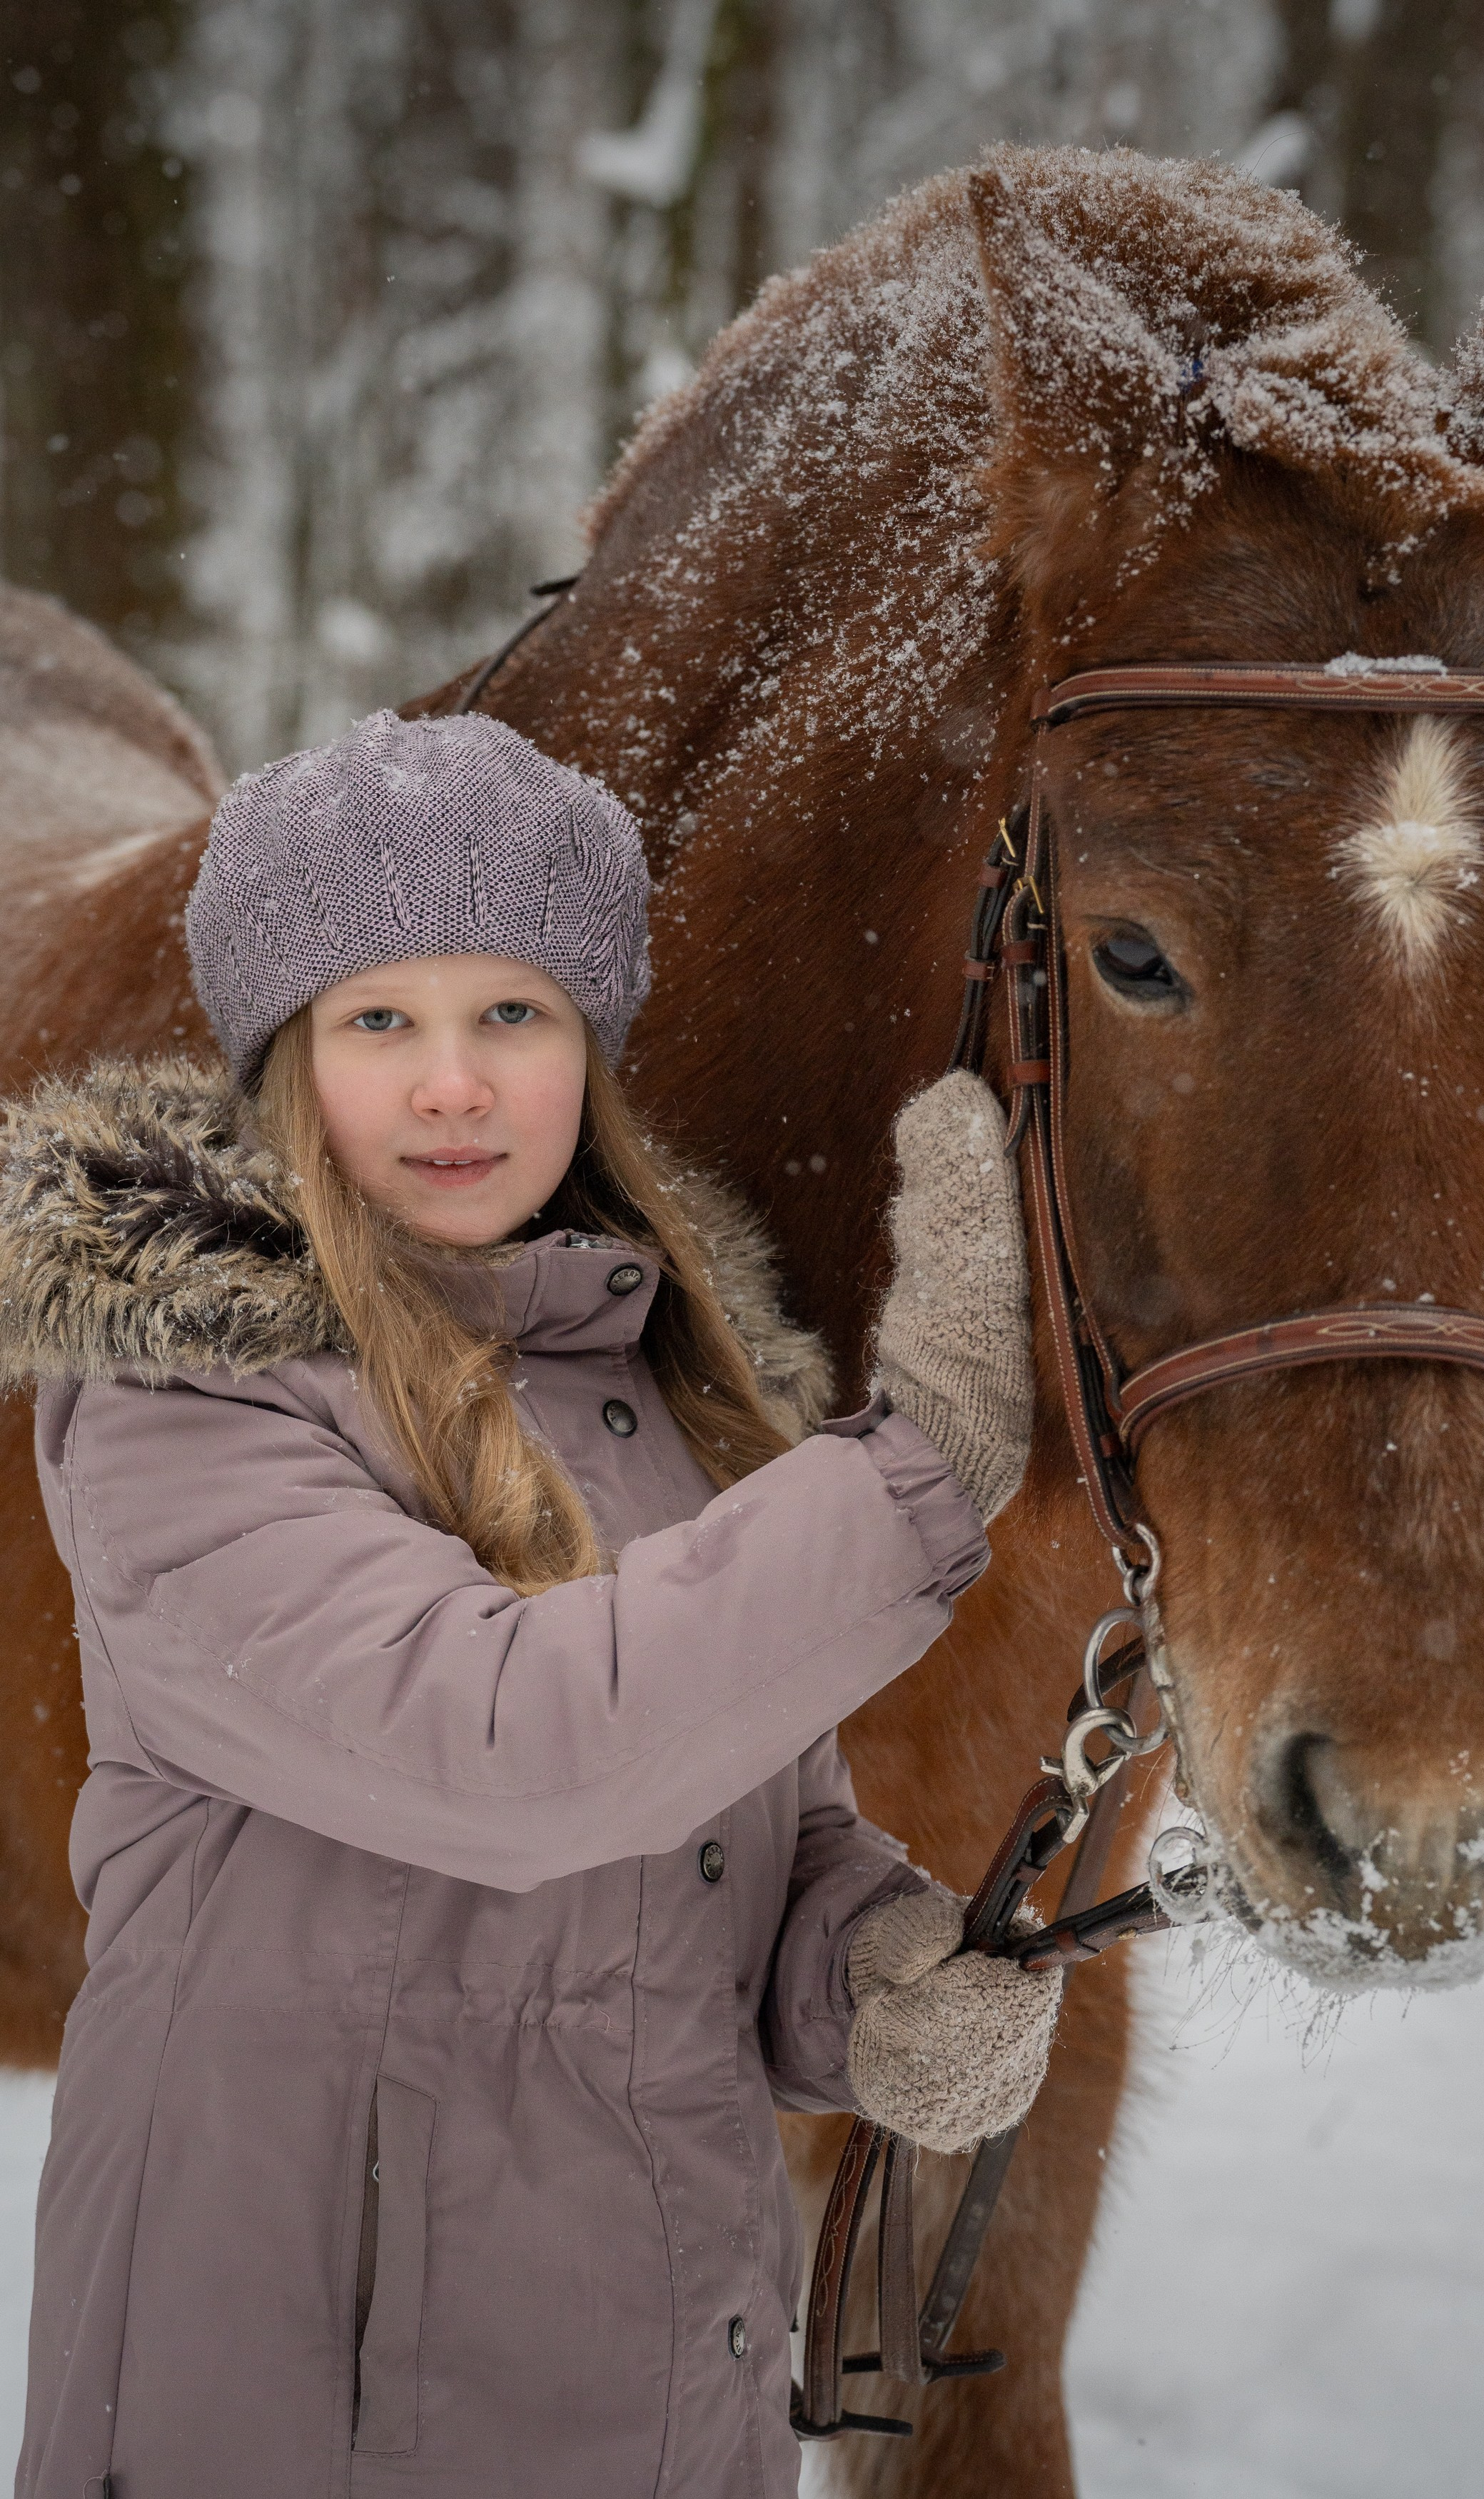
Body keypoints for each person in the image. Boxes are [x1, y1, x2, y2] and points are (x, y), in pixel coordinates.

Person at [0, 709, 1058, 2499]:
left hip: (652, 2399)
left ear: (591, 1048)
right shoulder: (188, 1394)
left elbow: (725, 1844)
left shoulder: (670, 1391)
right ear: (283, 1053)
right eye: (379, 1020)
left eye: (514, 1013)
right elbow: (514, 1752)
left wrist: (859, 1972)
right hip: (298, 2409)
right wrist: (922, 1471)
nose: (453, 1084)